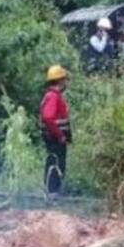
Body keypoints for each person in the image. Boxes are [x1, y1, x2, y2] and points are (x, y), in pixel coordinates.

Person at [39, 65, 71, 198]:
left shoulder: (51, 95)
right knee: (56, 162)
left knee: (55, 161)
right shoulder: (53, 97)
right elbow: (48, 117)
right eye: (64, 79)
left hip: (53, 136)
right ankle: (53, 192)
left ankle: (53, 191)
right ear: (60, 80)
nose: (66, 82)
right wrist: (60, 136)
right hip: (55, 137)